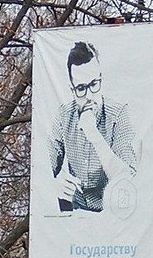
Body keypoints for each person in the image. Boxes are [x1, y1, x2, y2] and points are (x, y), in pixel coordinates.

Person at [48, 41, 138, 213]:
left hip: (112, 214)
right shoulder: (63, 115)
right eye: (81, 88)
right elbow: (44, 165)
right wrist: (54, 183)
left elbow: (127, 179)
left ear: (101, 78)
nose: (89, 96)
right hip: (74, 214)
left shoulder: (118, 114)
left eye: (94, 84)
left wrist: (94, 135)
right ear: (72, 89)